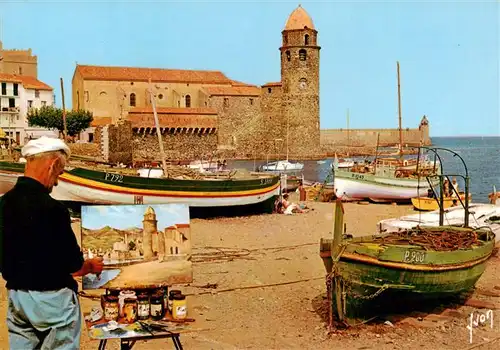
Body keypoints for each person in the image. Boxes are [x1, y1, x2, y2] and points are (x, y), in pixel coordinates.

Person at [0, 137, 104, 350]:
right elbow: (74, 266)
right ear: (53, 165)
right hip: (54, 301)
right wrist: (91, 266)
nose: (57, 181)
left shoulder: (3, 203)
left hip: (17, 299)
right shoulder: (53, 209)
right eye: (59, 172)